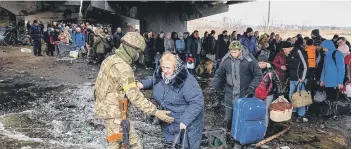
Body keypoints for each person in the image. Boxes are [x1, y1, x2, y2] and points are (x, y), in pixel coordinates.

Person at [94, 32, 175, 149]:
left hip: (109, 110)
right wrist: (156, 112)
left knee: (132, 143)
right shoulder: (124, 68)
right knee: (119, 144)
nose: (138, 56)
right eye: (138, 52)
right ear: (131, 50)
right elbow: (135, 96)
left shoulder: (110, 59)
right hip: (115, 114)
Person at [137, 52, 204, 149]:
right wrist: (142, 84)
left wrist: (185, 121)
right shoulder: (161, 75)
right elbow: (154, 80)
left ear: (175, 67)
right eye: (163, 67)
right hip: (168, 122)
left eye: (168, 68)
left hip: (186, 124)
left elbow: (197, 102)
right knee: (171, 145)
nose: (165, 71)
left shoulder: (187, 81)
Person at [212, 41, 262, 130]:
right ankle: (229, 134)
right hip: (229, 95)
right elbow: (219, 75)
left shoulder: (249, 60)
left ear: (240, 50)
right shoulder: (225, 60)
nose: (232, 54)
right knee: (228, 119)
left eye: (235, 52)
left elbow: (258, 75)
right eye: (231, 52)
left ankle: (241, 137)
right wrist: (215, 86)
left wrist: (252, 87)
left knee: (242, 118)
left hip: (245, 94)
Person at [284, 41, 308, 122]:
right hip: (292, 78)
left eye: (284, 49)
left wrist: (302, 77)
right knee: (291, 95)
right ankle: (294, 111)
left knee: (300, 97)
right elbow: (292, 65)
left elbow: (305, 65)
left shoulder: (298, 51)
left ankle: (301, 114)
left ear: (289, 48)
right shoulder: (289, 54)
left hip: (299, 79)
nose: (284, 51)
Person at [257, 54, 284, 127]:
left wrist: (280, 94)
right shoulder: (255, 70)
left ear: (266, 63)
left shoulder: (271, 71)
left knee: (265, 111)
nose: (261, 65)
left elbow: (277, 82)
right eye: (260, 63)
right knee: (257, 109)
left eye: (263, 63)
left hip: (269, 94)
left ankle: (264, 128)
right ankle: (257, 125)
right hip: (257, 94)